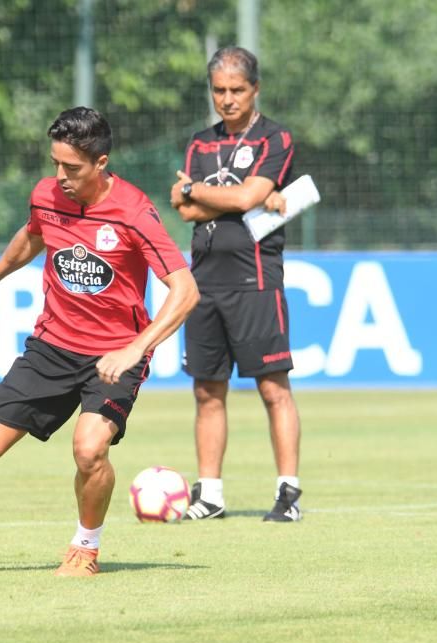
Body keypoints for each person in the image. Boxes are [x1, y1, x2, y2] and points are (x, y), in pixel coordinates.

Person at [0, 107, 199, 576]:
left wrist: (137, 348)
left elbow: (185, 289)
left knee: (90, 448)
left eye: (71, 168)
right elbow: (33, 235)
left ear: (101, 162)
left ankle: (85, 548)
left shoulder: (135, 213)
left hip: (114, 356)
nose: (60, 177)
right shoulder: (46, 195)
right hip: (50, 347)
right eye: (55, 164)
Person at [170, 46, 302, 522]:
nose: (227, 99)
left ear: (255, 89)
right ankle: (210, 495)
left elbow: (246, 193)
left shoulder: (274, 138)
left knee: (272, 388)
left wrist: (197, 191)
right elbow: (183, 210)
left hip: (256, 279)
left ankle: (288, 493)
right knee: (207, 391)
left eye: (237, 90)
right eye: (219, 90)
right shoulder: (200, 143)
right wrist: (235, 200)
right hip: (203, 281)